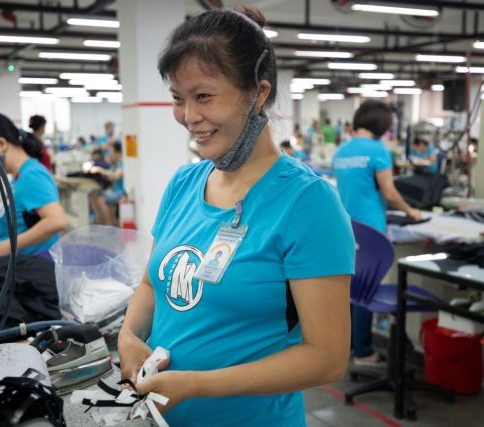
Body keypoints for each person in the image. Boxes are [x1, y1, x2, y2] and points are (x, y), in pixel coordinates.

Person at [118, 7, 355, 426]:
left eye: (203, 96)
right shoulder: (184, 183)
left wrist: (199, 384)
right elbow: (151, 284)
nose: (189, 117)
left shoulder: (307, 203)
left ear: (258, 94)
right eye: (178, 98)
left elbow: (327, 358)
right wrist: (128, 336)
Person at [333, 100, 421, 367]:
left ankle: (344, 346)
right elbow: (390, 194)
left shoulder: (342, 150)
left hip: (347, 227)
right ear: (382, 125)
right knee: (366, 291)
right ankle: (364, 352)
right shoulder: (377, 150)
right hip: (372, 231)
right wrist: (411, 211)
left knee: (348, 289)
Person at [0, 112, 67, 263]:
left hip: (33, 267)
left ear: (1, 144)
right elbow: (27, 221)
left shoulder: (32, 175)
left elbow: (56, 221)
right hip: (21, 261)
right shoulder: (19, 176)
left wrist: (6, 246)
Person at [89, 141, 124, 226]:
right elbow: (110, 175)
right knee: (93, 195)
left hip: (121, 193)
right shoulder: (115, 165)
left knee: (101, 199)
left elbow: (115, 176)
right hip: (114, 191)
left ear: (118, 153)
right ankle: (99, 223)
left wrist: (100, 170)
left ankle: (108, 226)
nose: (110, 155)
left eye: (111, 152)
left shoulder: (123, 164)